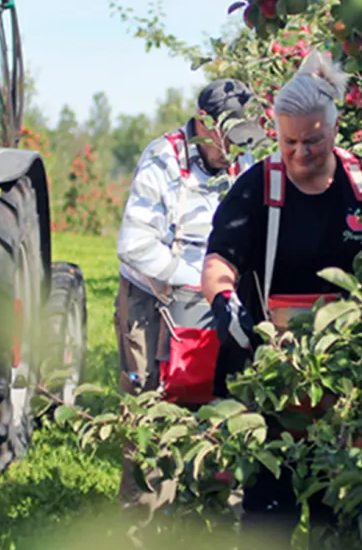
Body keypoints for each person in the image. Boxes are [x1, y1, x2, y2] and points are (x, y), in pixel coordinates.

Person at [200, 51, 362, 545]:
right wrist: (226, 302)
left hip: (355, 384)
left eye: (312, 140)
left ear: (334, 130)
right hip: (276, 381)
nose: (299, 153)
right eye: (288, 141)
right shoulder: (257, 189)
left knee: (344, 516)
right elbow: (217, 263)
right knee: (269, 514)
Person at [114, 78, 265, 517]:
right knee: (151, 412)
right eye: (227, 138)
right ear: (203, 125)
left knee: (227, 407)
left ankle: (216, 521)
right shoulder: (163, 159)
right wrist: (199, 281)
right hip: (155, 302)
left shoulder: (242, 159)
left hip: (219, 299)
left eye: (242, 138)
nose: (235, 149)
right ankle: (144, 526)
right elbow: (135, 245)